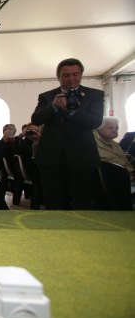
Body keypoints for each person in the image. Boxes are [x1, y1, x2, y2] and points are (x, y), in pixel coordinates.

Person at [31, 58, 103, 209]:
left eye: (75, 74)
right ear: (59, 77)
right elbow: (36, 119)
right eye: (66, 75)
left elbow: (95, 121)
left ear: (81, 75)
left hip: (82, 156)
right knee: (53, 201)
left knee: (82, 201)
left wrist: (70, 112)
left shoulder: (94, 95)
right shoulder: (47, 96)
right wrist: (53, 107)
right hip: (51, 157)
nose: (71, 78)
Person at [94, 116, 134, 182]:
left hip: (126, 177)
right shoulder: (92, 143)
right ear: (98, 127)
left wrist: (131, 173)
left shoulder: (115, 144)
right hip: (109, 181)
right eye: (110, 128)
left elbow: (125, 161)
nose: (114, 130)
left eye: (116, 128)